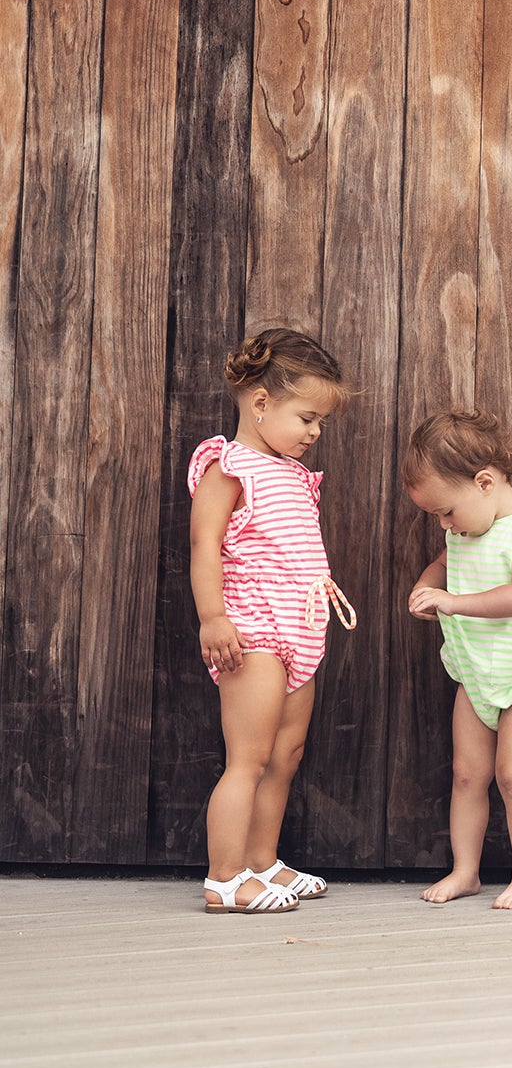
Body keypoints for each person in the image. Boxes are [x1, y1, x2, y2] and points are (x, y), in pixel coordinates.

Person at [189, 328, 356, 914]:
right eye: (307, 418)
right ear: (261, 403)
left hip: (301, 631)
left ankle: (261, 862)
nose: (315, 432)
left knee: (286, 755)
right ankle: (224, 878)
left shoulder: (292, 472)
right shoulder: (229, 467)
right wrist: (213, 617)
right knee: (250, 758)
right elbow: (205, 547)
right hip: (253, 632)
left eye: (320, 422)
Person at [403, 409, 512, 911]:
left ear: (484, 483)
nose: (444, 524)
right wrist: (426, 587)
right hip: (476, 672)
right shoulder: (463, 531)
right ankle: (466, 871)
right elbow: (443, 564)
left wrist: (453, 602)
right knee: (466, 775)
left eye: (446, 512)